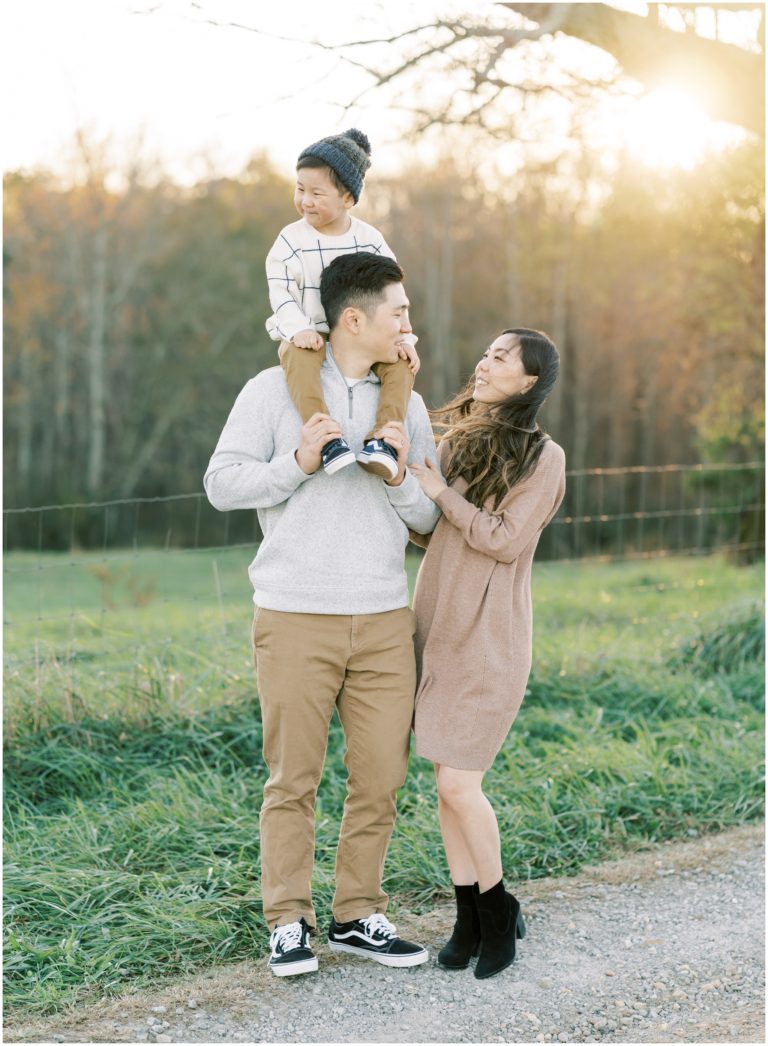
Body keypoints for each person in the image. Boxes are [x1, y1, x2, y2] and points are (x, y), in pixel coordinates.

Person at [204, 252, 440, 977]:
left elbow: (430, 516)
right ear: (354, 318)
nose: (408, 326)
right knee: (293, 779)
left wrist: (398, 477)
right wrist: (297, 466)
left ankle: (356, 914)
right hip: (294, 616)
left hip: (382, 619)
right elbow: (220, 484)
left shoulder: (409, 404)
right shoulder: (273, 392)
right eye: (398, 312)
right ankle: (288, 921)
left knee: (380, 778)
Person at [408, 327, 565, 980]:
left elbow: (502, 539)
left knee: (458, 781)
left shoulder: (544, 456)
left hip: (490, 638)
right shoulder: (457, 441)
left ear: (528, 381)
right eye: (488, 351)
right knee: (445, 787)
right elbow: (432, 538)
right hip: (436, 627)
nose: (485, 360)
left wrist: (439, 492)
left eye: (502, 357)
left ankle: (497, 910)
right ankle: (468, 915)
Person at [266, 128, 419, 480]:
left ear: (348, 198)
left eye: (317, 193)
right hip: (311, 331)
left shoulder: (369, 239)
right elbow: (281, 293)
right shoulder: (291, 240)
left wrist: (404, 336)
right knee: (298, 361)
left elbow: (392, 291)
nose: (305, 200)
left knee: (400, 366)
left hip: (364, 335)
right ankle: (325, 437)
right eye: (300, 189)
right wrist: (299, 329)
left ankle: (384, 439)